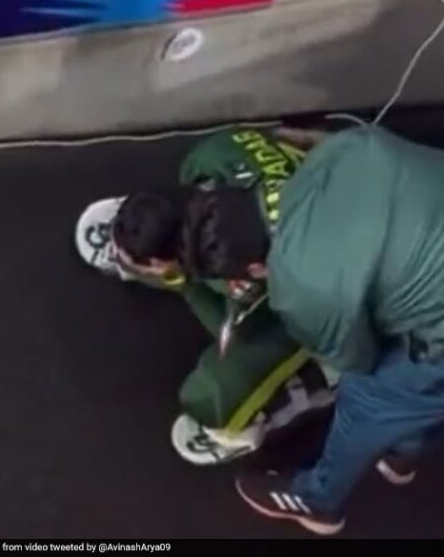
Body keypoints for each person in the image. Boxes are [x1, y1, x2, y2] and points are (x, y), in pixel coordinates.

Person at [178, 125, 444, 535]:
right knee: (411, 389)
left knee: (367, 397)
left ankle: (317, 501)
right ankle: (402, 448)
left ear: (252, 270)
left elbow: (356, 358)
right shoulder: (338, 151)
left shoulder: (299, 286)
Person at [75, 126, 337, 465]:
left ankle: (325, 379)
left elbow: (243, 331)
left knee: (214, 394)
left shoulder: (249, 272)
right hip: (340, 192)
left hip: (327, 289)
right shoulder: (212, 155)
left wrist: (181, 281)